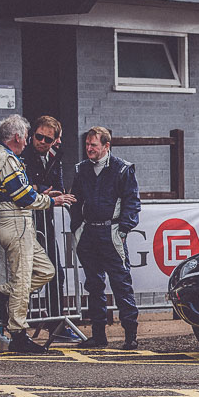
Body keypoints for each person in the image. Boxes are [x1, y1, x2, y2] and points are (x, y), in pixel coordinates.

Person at [0, 114, 75, 353]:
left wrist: (40, 194)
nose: (28, 142)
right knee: (22, 279)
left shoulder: (3, 156)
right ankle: (18, 333)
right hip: (14, 223)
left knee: (46, 270)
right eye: (27, 136)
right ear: (17, 136)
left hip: (19, 223)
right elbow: (23, 195)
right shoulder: (6, 158)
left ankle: (2, 297)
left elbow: (25, 191)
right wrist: (50, 200)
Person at [69, 126, 141, 350]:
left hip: (111, 232)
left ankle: (130, 336)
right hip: (89, 232)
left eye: (93, 145)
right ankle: (98, 335)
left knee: (121, 283)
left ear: (106, 146)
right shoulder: (82, 169)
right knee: (94, 285)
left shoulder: (123, 169)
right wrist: (78, 228)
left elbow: (132, 202)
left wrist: (123, 230)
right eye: (87, 145)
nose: (89, 148)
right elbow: (75, 200)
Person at [21, 115, 78, 340]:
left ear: (55, 140)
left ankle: (56, 326)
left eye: (47, 139)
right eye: (39, 136)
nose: (42, 142)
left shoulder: (55, 156)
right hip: (23, 221)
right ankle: (11, 323)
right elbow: (24, 186)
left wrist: (43, 190)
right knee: (19, 273)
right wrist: (39, 189)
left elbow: (59, 187)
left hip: (44, 220)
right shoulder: (23, 153)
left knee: (56, 273)